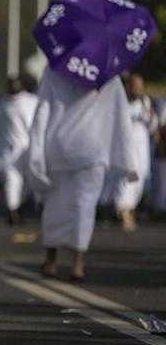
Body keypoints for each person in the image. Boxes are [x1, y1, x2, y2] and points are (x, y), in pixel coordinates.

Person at [28, 69, 136, 281]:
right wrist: (127, 159)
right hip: (92, 151)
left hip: (57, 147)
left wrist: (35, 152)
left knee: (54, 205)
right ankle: (78, 265)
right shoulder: (109, 72)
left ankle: (51, 261)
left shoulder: (54, 69)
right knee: (84, 207)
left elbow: (42, 110)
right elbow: (121, 114)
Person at [0, 77, 39, 225]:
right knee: (14, 181)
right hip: (15, 149)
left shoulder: (7, 103)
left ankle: (16, 209)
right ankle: (13, 211)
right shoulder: (5, 104)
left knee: (18, 182)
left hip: (20, 149)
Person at [114, 74, 158, 231]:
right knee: (130, 177)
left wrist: (150, 113)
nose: (137, 89)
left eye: (140, 86)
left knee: (141, 177)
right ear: (128, 86)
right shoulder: (120, 102)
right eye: (134, 86)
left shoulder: (145, 102)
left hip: (142, 148)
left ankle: (128, 210)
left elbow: (152, 126)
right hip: (126, 147)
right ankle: (124, 211)